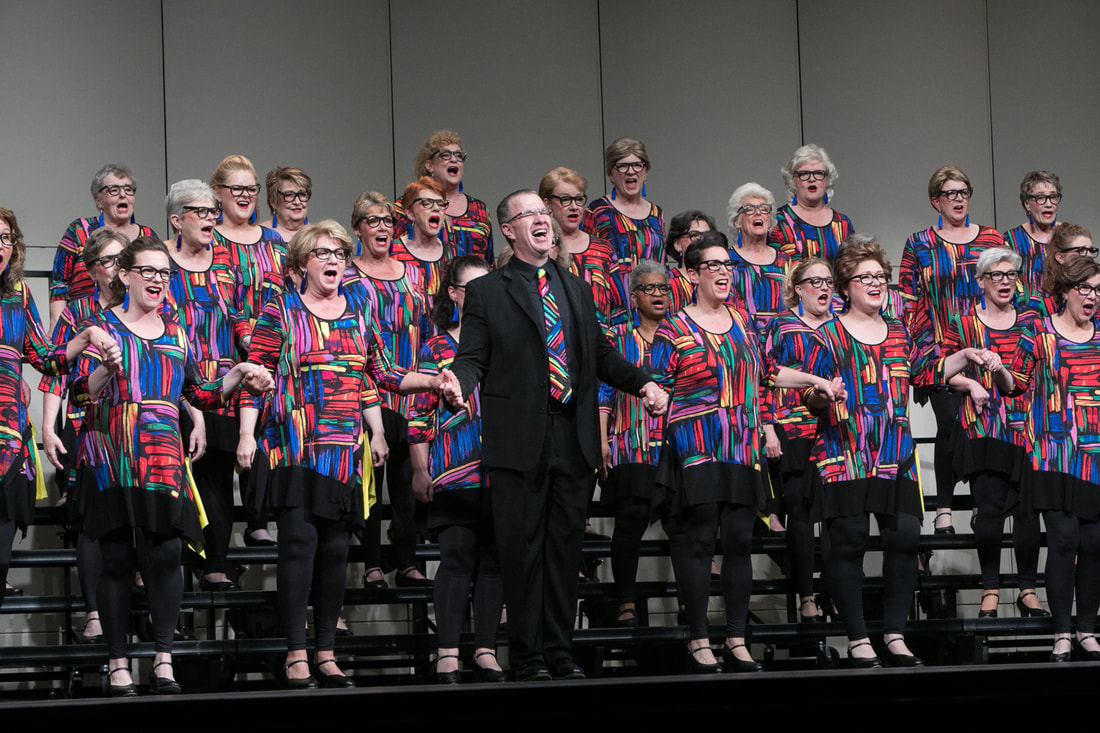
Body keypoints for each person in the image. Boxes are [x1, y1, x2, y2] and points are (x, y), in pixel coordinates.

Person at [444, 190, 668, 681]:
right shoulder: (488, 291)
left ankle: (560, 652)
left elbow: (603, 357)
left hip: (573, 437)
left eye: (544, 213)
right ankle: (527, 658)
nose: (543, 220)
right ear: (509, 229)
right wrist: (456, 384)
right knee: (521, 553)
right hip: (518, 441)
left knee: (565, 553)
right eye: (530, 214)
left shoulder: (575, 286)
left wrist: (645, 382)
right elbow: (472, 358)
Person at [238, 221, 453, 689]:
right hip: (294, 447)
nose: (333, 259)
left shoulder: (358, 314)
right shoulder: (280, 311)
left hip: (342, 453)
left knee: (336, 553)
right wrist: (246, 436)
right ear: (300, 264)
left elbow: (387, 375)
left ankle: (326, 654)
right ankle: (296, 652)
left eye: (339, 252)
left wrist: (435, 379)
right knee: (298, 549)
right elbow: (255, 379)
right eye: (322, 253)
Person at [71, 236, 271, 696]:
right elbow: (79, 393)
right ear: (125, 275)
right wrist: (105, 368)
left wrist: (239, 374)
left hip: (163, 458)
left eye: (164, 272)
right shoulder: (100, 325)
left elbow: (199, 392)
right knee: (117, 559)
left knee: (164, 558)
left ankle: (164, 660)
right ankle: (118, 662)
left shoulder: (177, 331)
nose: (159, 280)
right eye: (149, 271)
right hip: (112, 456)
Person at [651, 232, 843, 673]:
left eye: (728, 265)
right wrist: (656, 398)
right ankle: (699, 639)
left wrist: (815, 381)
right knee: (699, 543)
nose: (723, 272)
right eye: (713, 265)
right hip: (695, 448)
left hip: (740, 446)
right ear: (693, 273)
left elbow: (769, 373)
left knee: (739, 542)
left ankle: (736, 640)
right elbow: (656, 385)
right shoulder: (675, 327)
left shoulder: (743, 320)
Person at [805, 235, 998, 668]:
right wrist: (824, 394)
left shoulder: (899, 329)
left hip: (894, 451)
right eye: (866, 277)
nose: (876, 283)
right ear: (845, 285)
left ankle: (894, 634)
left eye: (881, 277)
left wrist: (965, 356)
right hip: (845, 451)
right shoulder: (829, 334)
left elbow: (928, 372)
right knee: (849, 542)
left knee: (907, 538)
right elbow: (810, 399)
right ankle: (857, 638)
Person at [410, 256, 505, 684]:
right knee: (457, 559)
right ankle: (447, 651)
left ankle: (486, 648)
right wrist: (419, 469)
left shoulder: (506, 342)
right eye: (474, 288)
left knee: (493, 561)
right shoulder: (436, 348)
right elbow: (416, 415)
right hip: (454, 471)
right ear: (454, 293)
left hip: (503, 468)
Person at [900, 166, 1007, 534]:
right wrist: (916, 356)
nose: (959, 198)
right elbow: (908, 302)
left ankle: (981, 503)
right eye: (951, 193)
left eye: (965, 191)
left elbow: (1009, 287)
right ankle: (944, 508)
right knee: (950, 421)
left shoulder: (990, 237)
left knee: (979, 425)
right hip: (938, 353)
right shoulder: (919, 243)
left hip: (985, 346)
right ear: (936, 201)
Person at [941, 247, 1046, 619]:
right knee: (989, 511)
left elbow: (1032, 373)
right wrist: (969, 384)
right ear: (981, 281)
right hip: (983, 424)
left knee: (1027, 513)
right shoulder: (965, 323)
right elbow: (939, 371)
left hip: (1026, 425)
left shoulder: (1032, 322)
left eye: (1010, 275)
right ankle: (990, 589)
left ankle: (1029, 590)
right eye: (996, 276)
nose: (1004, 282)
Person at [1004, 256, 1100, 662]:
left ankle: (1086, 630)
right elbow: (1016, 384)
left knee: (1094, 544)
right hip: (1052, 452)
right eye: (1086, 288)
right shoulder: (1038, 332)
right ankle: (1062, 631)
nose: (1092, 296)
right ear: (1065, 292)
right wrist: (995, 370)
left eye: (1098, 290)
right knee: (1063, 541)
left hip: (1094, 454)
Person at [40, 226, 128, 642]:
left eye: (123, 258)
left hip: (135, 429)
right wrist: (47, 426)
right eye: (109, 260)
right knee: (92, 523)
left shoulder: (143, 306)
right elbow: (55, 370)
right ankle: (94, 612)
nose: (118, 267)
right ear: (92, 269)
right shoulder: (78, 312)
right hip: (87, 425)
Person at [163, 180, 251, 591]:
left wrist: (255, 347)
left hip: (222, 384)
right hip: (173, 383)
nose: (210, 219)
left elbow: (239, 317)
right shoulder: (158, 263)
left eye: (213, 212)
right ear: (177, 219)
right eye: (201, 212)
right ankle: (162, 568)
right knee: (173, 476)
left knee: (217, 475)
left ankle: (216, 562)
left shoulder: (225, 264)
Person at [346, 191, 430, 587]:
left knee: (407, 484)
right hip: (369, 390)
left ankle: (408, 562)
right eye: (373, 220)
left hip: (409, 390)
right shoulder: (348, 276)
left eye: (387, 221)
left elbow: (428, 331)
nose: (382, 227)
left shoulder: (411, 275)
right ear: (358, 228)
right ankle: (372, 564)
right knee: (371, 486)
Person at [210, 153, 286, 547]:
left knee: (265, 433)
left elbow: (286, 292)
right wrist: (246, 336)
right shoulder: (213, 239)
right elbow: (225, 296)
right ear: (217, 194)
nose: (244, 195)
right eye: (235, 189)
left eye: (250, 189)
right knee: (230, 444)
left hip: (269, 346)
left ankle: (258, 520)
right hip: (226, 349)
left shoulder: (274, 240)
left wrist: (264, 340)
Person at [760, 257, 835, 622]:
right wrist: (768, 427)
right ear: (799, 287)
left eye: (828, 281)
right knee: (801, 516)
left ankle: (834, 588)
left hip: (837, 432)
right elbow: (765, 375)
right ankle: (806, 595)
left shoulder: (841, 326)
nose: (824, 287)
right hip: (792, 428)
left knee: (837, 514)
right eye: (815, 281)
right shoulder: (782, 324)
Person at [599, 259, 669, 628]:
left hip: (674, 444)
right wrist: (601, 440)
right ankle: (625, 599)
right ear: (634, 296)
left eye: (663, 288)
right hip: (631, 441)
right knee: (631, 521)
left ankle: (691, 601)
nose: (658, 294)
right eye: (650, 288)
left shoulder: (680, 333)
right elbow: (604, 390)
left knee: (683, 522)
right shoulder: (618, 337)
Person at [49, 164, 158, 330]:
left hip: (134, 326)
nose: (123, 194)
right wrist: (56, 328)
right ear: (98, 200)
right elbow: (59, 284)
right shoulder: (79, 230)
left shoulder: (148, 236)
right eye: (113, 189)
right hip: (83, 321)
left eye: (128, 189)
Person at [584, 136, 665, 326]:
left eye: (637, 165)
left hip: (653, 312)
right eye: (622, 166)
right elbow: (588, 266)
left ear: (645, 172)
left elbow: (661, 263)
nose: (631, 171)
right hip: (614, 313)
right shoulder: (597, 211)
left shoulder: (657, 213)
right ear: (611, 175)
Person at [540, 167, 615, 328]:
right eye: (565, 199)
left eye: (579, 199)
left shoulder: (603, 249)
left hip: (600, 342)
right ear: (547, 204)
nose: (574, 206)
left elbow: (617, 305)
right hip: (556, 342)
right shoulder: (540, 250)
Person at [403, 129, 493, 263]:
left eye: (458, 155)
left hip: (474, 283)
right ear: (430, 165)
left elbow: (489, 262)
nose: (454, 159)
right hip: (425, 280)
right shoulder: (411, 204)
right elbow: (395, 252)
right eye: (445, 155)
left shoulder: (479, 209)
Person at [768, 144, 854, 262]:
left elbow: (851, 268)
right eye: (804, 174)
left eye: (819, 173)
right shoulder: (777, 221)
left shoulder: (843, 223)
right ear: (792, 181)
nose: (811, 179)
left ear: (827, 180)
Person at [727, 182, 788, 330]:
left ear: (770, 220)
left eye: (764, 209)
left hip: (778, 344)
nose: (758, 212)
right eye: (749, 209)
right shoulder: (725, 260)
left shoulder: (786, 261)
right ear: (737, 222)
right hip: (741, 343)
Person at [392, 177, 451, 323]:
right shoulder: (392, 252)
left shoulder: (454, 254)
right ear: (410, 213)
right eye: (427, 203)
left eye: (441, 204)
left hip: (443, 341)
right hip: (405, 338)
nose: (436, 208)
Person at [1004, 170, 1061, 303]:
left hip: (1065, 316)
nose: (1048, 204)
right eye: (1040, 198)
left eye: (1053, 197)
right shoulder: (1010, 241)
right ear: (1027, 204)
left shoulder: (1069, 237)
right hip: (1026, 317)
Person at [1030, 222, 1096, 317]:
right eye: (1081, 250)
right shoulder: (1041, 304)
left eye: (1091, 250)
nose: (1089, 255)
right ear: (1060, 257)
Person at [663, 210, 715, 314]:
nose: (701, 240)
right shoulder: (665, 284)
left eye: (707, 235)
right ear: (677, 244)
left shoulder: (720, 279)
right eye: (694, 235)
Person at [260, 166, 311, 242]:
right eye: (289, 195)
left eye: (302, 194)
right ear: (274, 201)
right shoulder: (260, 236)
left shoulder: (318, 236)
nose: (297, 202)